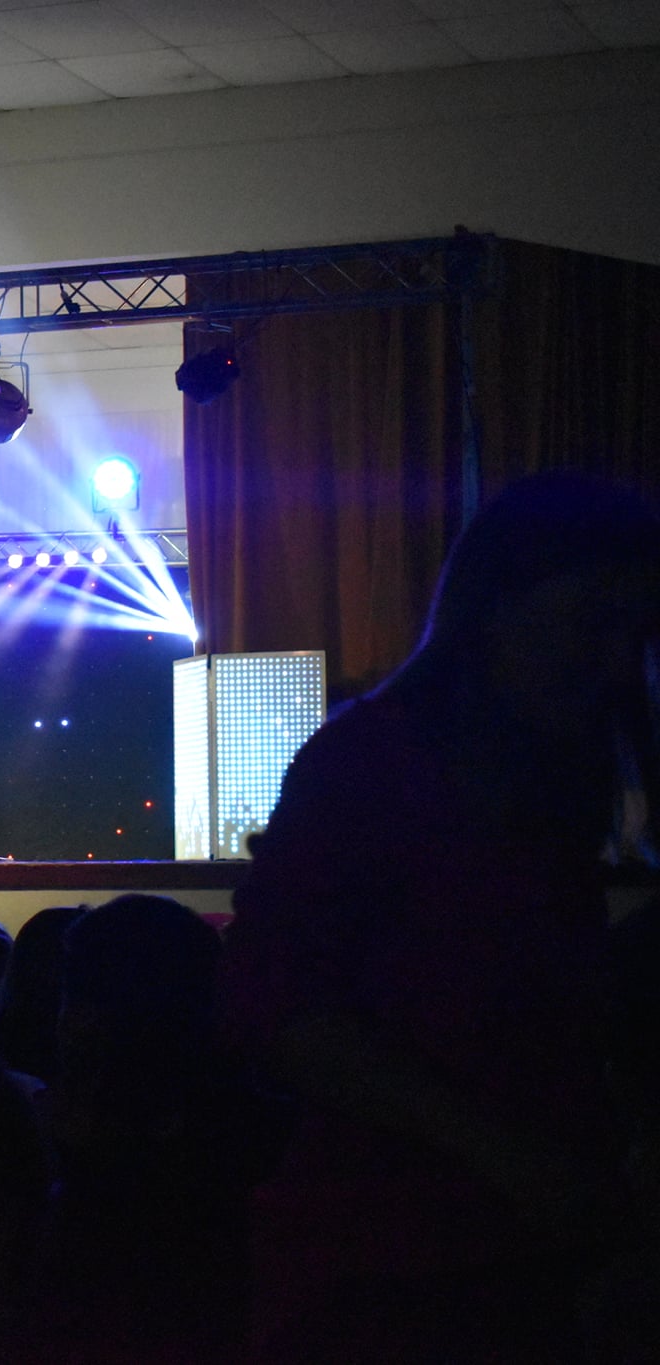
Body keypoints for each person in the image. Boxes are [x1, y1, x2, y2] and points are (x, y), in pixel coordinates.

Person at [220, 473, 660, 1363]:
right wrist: (515, 1158)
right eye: (592, 622)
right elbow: (279, 1009)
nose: (619, 663)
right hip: (395, 1265)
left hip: (437, 1257)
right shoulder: (377, 767)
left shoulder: (481, 767)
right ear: (496, 607)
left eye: (634, 632)